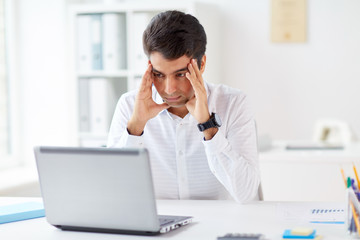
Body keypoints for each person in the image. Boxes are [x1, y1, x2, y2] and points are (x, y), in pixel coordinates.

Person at [107, 10, 260, 203]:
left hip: (216, 228)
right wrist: (135, 128)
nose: (169, 89)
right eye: (159, 74)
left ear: (201, 64)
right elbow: (112, 190)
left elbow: (246, 193)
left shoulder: (233, 103)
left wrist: (207, 125)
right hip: (158, 229)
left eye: (180, 74)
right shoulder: (129, 105)